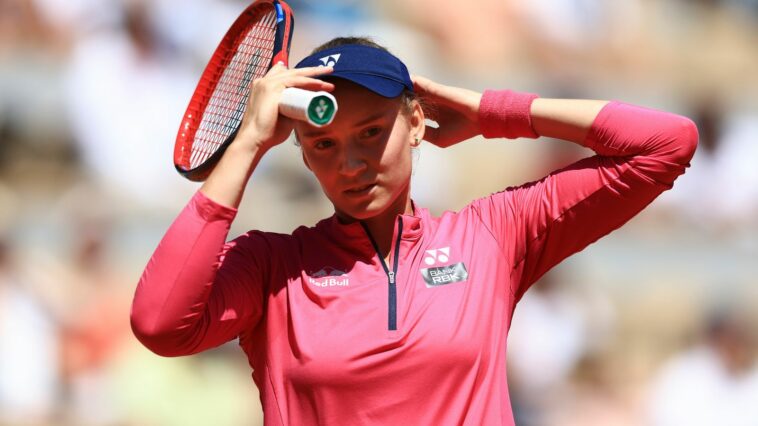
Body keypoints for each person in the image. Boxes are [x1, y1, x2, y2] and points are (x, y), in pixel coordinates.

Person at [130, 37, 698, 425]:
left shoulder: (494, 236)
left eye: (372, 131)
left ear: (417, 122)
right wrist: (249, 144)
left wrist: (490, 110)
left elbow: (667, 143)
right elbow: (159, 325)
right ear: (301, 154)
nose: (350, 163)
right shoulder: (272, 268)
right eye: (324, 145)